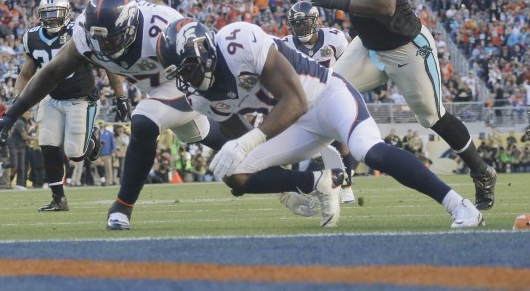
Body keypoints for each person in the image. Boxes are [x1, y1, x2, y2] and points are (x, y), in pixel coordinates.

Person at [156, 18, 485, 228]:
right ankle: (317, 182)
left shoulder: (237, 41)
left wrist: (247, 142)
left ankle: (459, 205)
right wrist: (282, 187)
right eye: (178, 75)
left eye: (185, 69)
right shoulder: (201, 96)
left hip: (327, 98)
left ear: (203, 53)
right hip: (292, 124)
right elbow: (246, 137)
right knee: (235, 174)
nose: (185, 80)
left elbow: (295, 100)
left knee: (370, 151)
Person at [0, 0, 236, 230]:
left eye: (112, 40)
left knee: (144, 121)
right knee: (198, 133)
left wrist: (226, 107)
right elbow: (52, 72)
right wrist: (11, 113)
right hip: (154, 87)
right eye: (98, 40)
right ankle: (254, 151)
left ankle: (122, 208)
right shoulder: (85, 32)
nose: (105, 48)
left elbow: (205, 60)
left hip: (180, 80)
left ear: (130, 26)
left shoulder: (161, 27)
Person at [310, 0, 496, 211]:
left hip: (406, 47)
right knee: (327, 93)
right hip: (368, 46)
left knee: (433, 117)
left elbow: (385, 5)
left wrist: (337, 1)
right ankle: (337, 178)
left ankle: (481, 171)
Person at [13, 0, 101, 212]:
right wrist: (18, 103)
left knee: (75, 154)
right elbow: (25, 74)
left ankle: (92, 137)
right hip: (50, 97)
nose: (51, 20)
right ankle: (58, 199)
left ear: (66, 14)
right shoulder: (31, 37)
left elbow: (103, 64)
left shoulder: (77, 32)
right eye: (47, 15)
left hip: (78, 97)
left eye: (55, 15)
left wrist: (120, 95)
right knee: (48, 146)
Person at [282, 0, 357, 204]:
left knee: (343, 141)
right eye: (296, 24)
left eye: (304, 23)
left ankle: (347, 186)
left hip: (332, 95)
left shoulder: (334, 37)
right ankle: (300, 186)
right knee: (298, 146)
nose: (301, 27)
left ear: (316, 21)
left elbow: (349, 66)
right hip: (304, 100)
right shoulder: (286, 44)